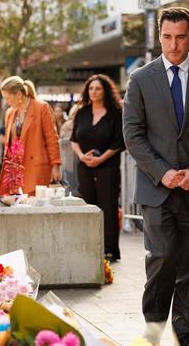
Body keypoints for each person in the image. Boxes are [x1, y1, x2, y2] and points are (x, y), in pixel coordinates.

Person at [122, 7, 189, 345]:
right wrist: (162, 172)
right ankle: (153, 330)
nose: (173, 45)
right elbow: (133, 134)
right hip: (158, 190)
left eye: (180, 37)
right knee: (162, 258)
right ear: (160, 37)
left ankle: (184, 331)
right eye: (167, 37)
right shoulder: (140, 79)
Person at [71, 74, 125, 262]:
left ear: (105, 91)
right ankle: (90, 246)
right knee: (88, 204)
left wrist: (101, 158)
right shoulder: (82, 112)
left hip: (108, 166)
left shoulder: (116, 113)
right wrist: (81, 156)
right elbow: (74, 140)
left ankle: (109, 250)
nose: (93, 92)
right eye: (91, 88)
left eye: (98, 88)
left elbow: (119, 142)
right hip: (84, 165)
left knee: (108, 206)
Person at [0, 76, 61, 196]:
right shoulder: (10, 113)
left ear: (19, 94)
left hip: (35, 168)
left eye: (8, 98)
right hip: (14, 170)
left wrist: (56, 165)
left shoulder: (41, 108)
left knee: (34, 207)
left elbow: (52, 139)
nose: (7, 102)